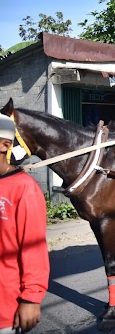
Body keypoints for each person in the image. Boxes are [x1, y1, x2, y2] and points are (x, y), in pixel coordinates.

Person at [0, 113, 50, 333]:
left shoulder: (23, 188)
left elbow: (34, 247)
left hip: (5, 309)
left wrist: (31, 297)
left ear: (5, 144)